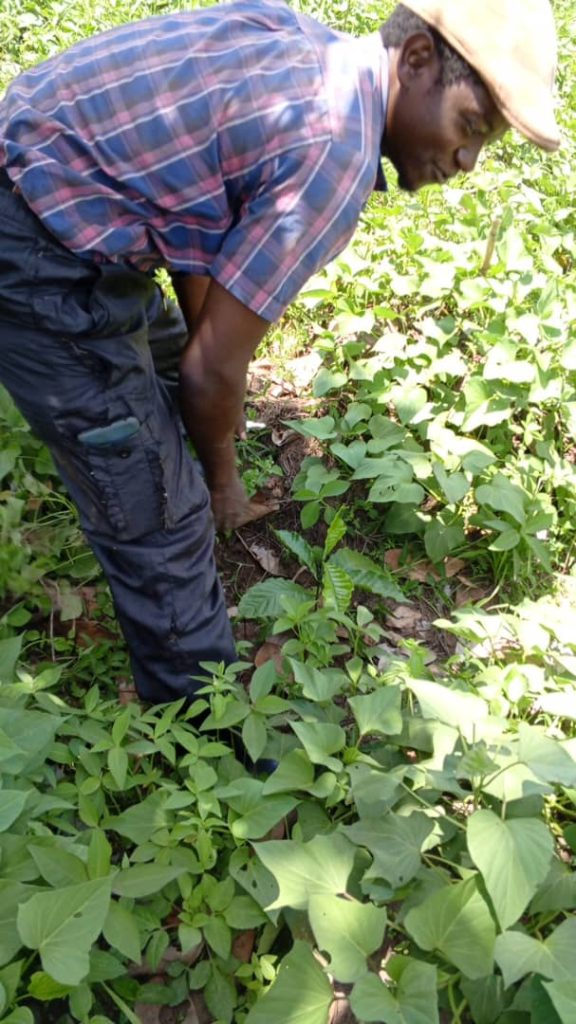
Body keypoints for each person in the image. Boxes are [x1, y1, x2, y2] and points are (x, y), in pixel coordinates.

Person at [0, 0, 559, 704]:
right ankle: (201, 723)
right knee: (166, 517)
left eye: (486, 145)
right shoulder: (333, 151)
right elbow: (210, 373)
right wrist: (222, 483)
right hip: (37, 251)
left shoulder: (298, 41)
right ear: (416, 58)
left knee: (183, 373)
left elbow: (198, 214)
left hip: (48, 177)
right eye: (469, 127)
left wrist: (207, 372)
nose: (466, 161)